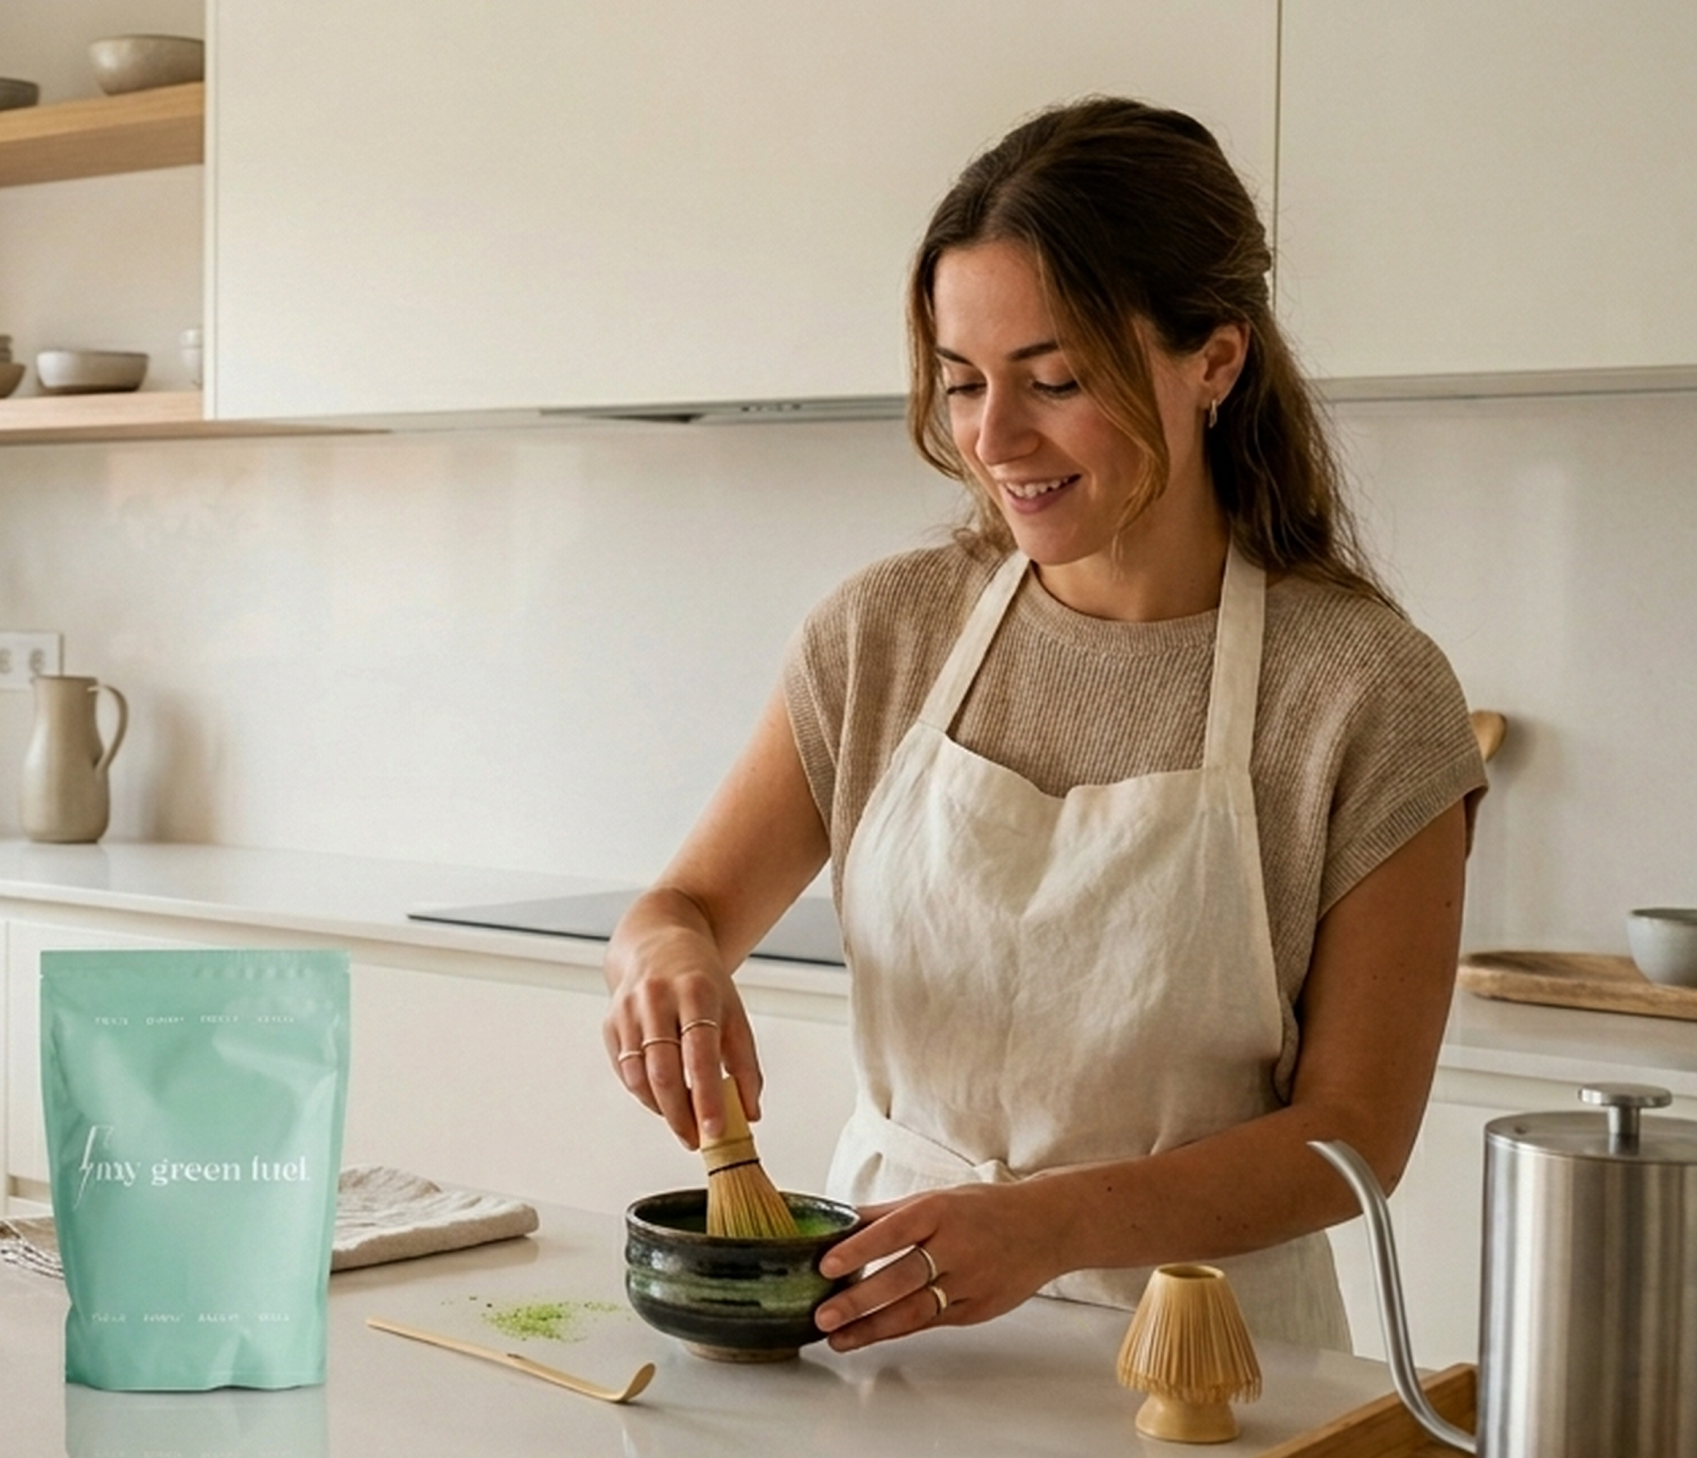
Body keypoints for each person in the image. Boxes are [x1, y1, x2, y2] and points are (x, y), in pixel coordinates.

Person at [602, 98, 1486, 1354]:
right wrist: (661, 966)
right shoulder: (882, 635)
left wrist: (1053, 1223)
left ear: (1216, 361)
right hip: (889, 1327)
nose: (993, 439)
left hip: (1208, 1367)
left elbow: (1350, 1138)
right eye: (963, 383)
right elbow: (680, 908)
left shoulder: (1363, 690)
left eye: (1054, 380)